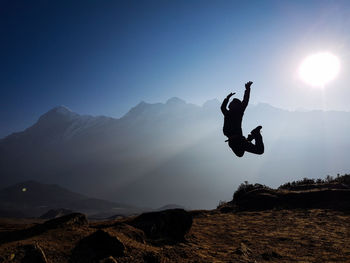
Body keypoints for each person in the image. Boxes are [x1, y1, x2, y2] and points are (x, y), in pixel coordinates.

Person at [221, 81, 264, 157]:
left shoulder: (234, 113)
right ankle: (250, 138)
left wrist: (227, 98)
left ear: (234, 106)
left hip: (235, 141)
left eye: (232, 102)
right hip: (235, 140)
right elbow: (245, 101)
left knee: (259, 150)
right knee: (240, 154)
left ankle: (256, 133)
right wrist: (247, 89)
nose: (230, 103)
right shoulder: (232, 113)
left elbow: (245, 101)